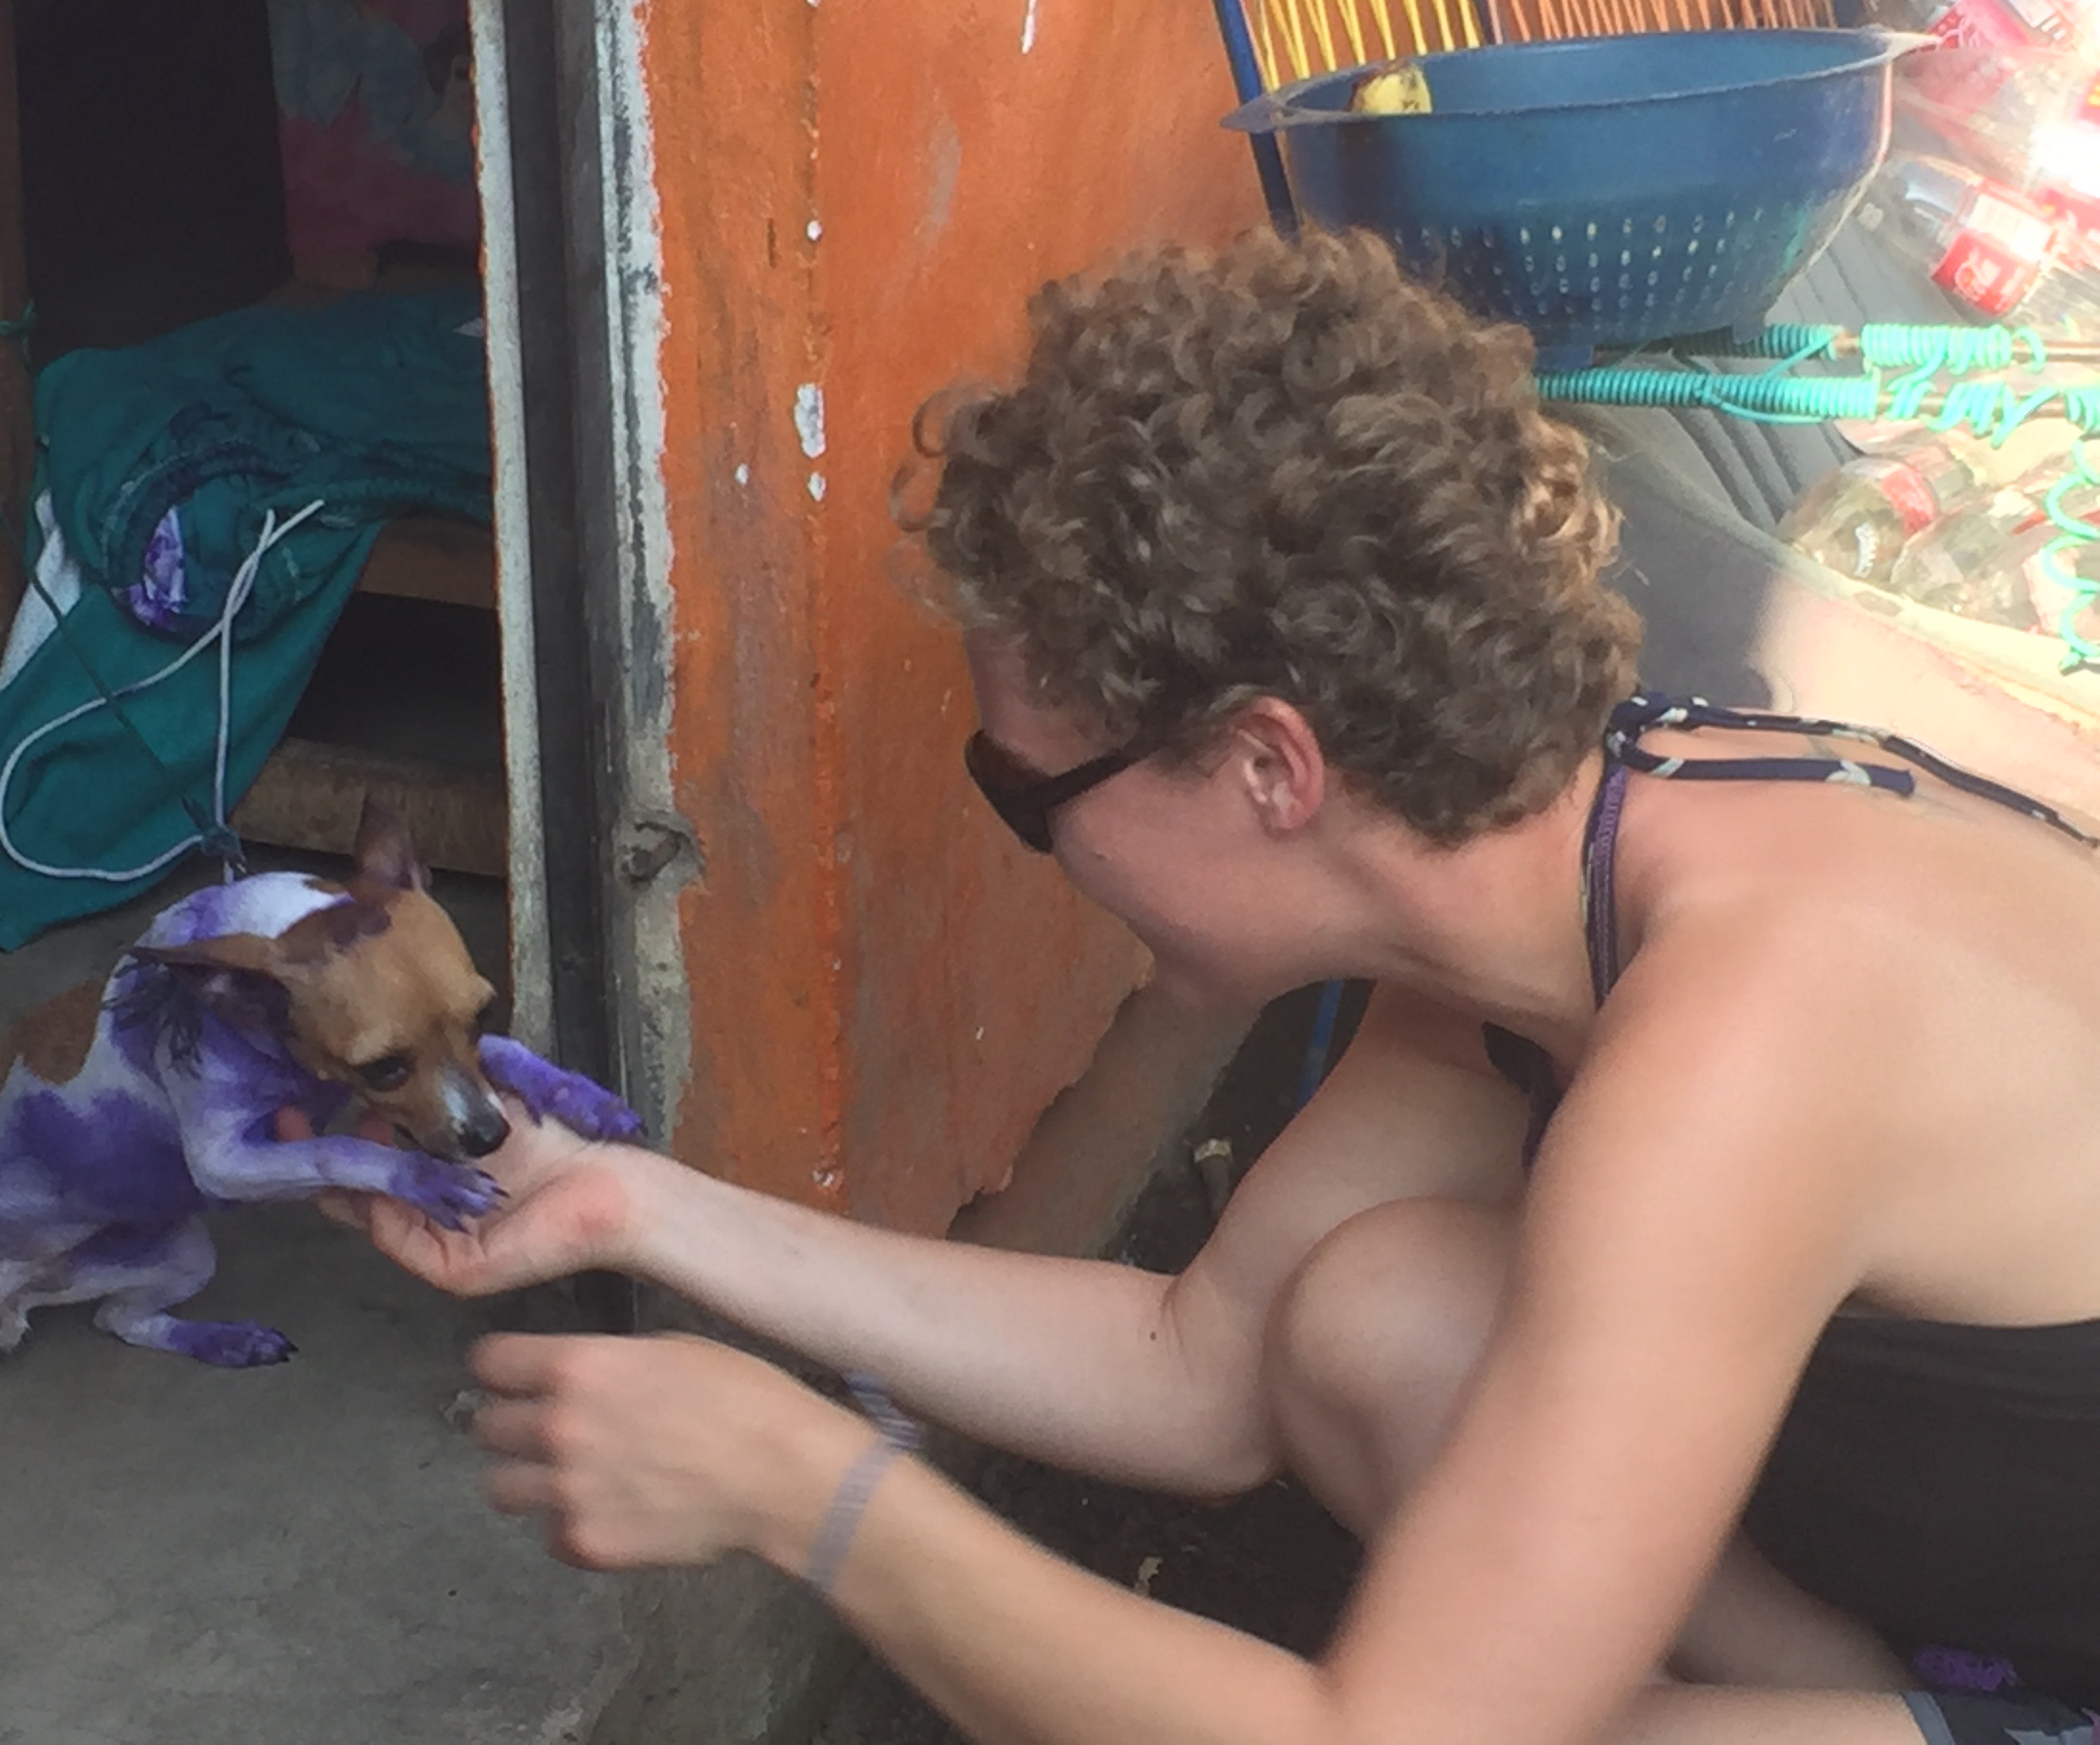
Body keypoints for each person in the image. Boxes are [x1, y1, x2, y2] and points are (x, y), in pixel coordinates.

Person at [340, 230, 2100, 1745]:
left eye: (1030, 792)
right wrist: (631, 1206)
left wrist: (816, 1500)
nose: (1039, 846)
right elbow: (1200, 1371)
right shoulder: (1569, 854)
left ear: (1269, 765)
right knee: (1374, 1314)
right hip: (2017, 1574)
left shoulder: (1743, 1040)